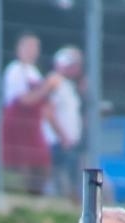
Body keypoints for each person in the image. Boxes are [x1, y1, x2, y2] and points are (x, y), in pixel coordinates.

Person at [2, 33, 58, 195]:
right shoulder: (15, 70)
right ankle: (23, 196)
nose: (32, 51)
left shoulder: (33, 72)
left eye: (35, 47)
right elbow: (24, 100)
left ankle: (36, 195)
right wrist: (48, 86)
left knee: (41, 162)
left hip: (33, 125)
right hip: (19, 123)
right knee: (23, 163)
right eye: (28, 47)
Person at [42, 47, 84, 199]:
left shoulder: (68, 85)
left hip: (67, 141)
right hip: (58, 142)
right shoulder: (56, 83)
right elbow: (48, 112)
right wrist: (63, 136)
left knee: (68, 176)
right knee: (59, 177)